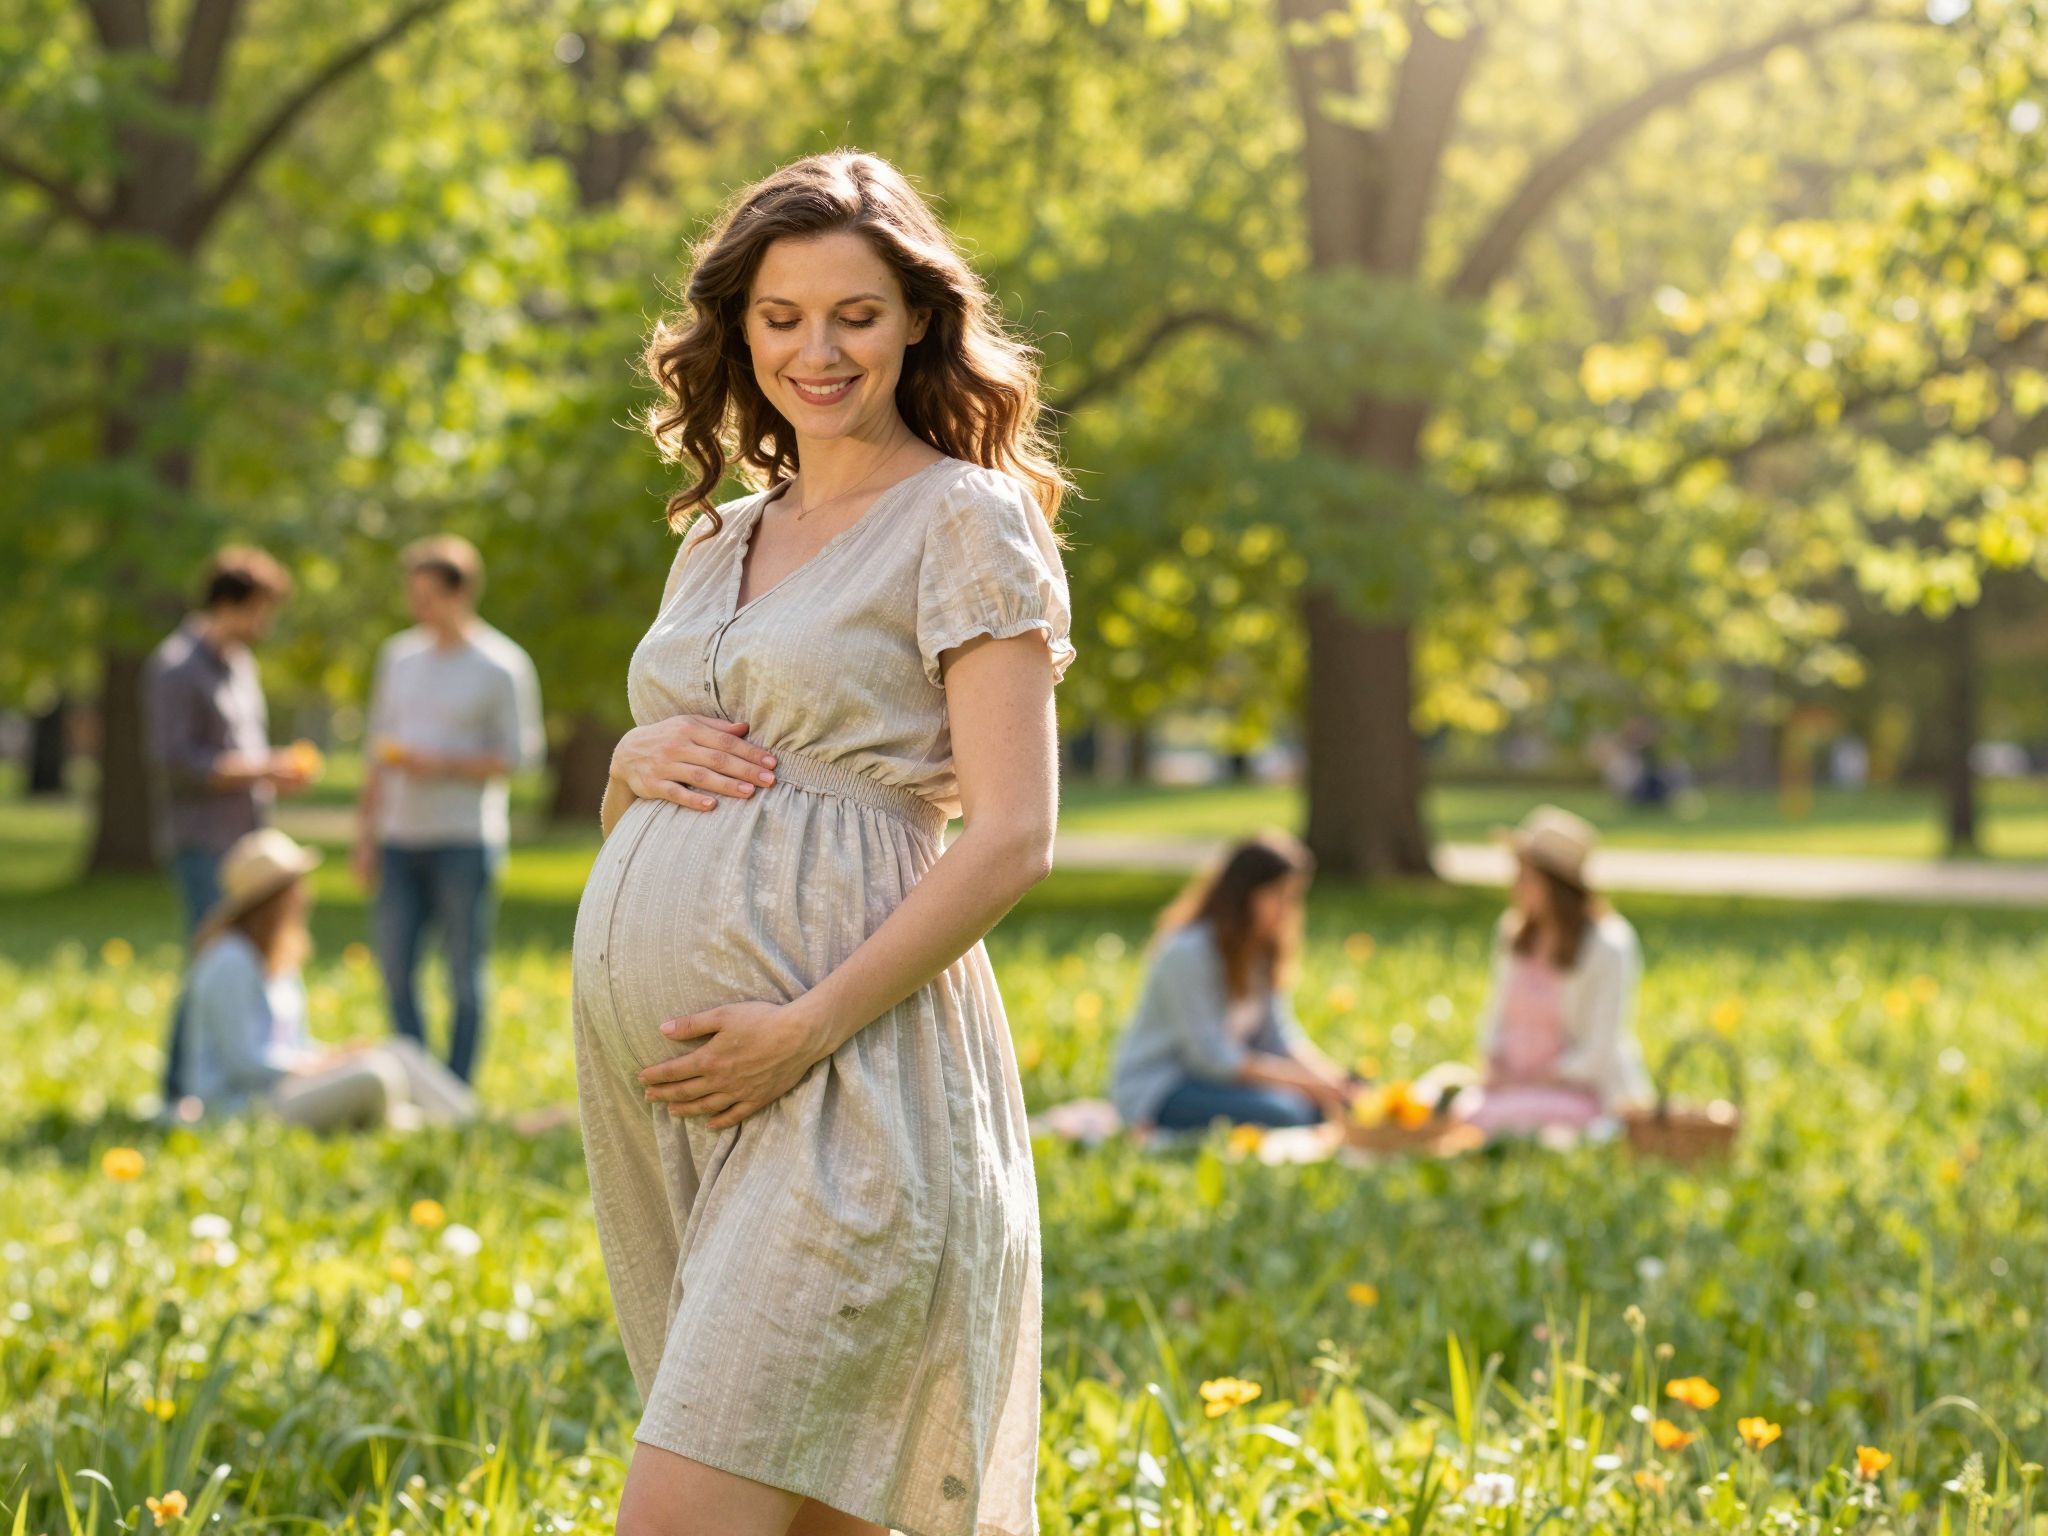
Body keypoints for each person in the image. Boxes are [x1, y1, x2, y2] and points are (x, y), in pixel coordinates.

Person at [571, 150, 1073, 1536]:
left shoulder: (965, 520)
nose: (817, 349)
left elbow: (1013, 835)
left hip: (851, 1082)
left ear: (918, 316)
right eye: (781, 316)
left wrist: (803, 1028)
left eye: (854, 312)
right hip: (680, 1109)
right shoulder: (718, 536)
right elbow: (672, 799)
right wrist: (629, 764)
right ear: (739, 332)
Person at [353, 535, 544, 1085]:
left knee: (463, 973)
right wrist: (365, 835)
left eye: (430, 595)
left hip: (465, 840)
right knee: (394, 967)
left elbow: (520, 759)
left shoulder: (500, 665)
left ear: (461, 593)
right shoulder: (398, 657)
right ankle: (415, 1078)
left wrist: (439, 763)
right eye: (415, 595)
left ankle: (455, 1087)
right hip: (398, 838)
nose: (420, 608)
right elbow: (377, 753)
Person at [144, 546, 315, 1105]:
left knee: (246, 963)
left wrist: (270, 775)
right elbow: (175, 762)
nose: (263, 625)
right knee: (212, 961)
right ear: (227, 602)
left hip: (246, 840)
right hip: (202, 840)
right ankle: (181, 1091)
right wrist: (262, 768)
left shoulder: (241, 665)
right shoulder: (176, 667)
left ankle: (231, 1076)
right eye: (258, 610)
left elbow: (242, 752)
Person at [181, 828, 477, 1131]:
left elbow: (293, 1042)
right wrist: (322, 1065)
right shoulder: (229, 961)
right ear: (271, 900)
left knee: (397, 1051)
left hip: (286, 1087)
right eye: (296, 886)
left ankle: (472, 1120)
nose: (306, 895)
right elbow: (243, 1063)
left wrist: (333, 1055)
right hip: (246, 1106)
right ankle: (445, 1127)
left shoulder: (276, 957)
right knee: (374, 1077)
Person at [1109, 832, 1360, 1133]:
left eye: (1293, 898)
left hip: (1220, 1083)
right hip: (1164, 1086)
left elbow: (1279, 1039)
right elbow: (1210, 1057)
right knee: (1289, 1112)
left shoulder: (1262, 950)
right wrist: (1306, 1085)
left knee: (1321, 1107)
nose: (1287, 909)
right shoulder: (1187, 951)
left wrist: (1332, 1081)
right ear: (1244, 895)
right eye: (1277, 896)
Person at [1457, 805, 1652, 1135]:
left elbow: (1599, 1050)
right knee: (1441, 1101)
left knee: (1475, 1119)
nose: (1515, 886)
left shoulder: (1608, 945)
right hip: (1508, 1087)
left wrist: (1538, 1077)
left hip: (1575, 1091)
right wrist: (1495, 1064)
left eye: (1526, 877)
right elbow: (1497, 1014)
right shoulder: (1514, 933)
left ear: (1555, 886)